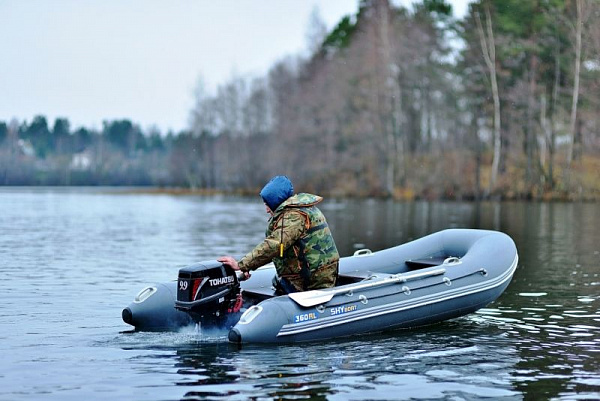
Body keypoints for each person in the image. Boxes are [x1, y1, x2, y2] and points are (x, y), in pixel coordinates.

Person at [219, 175, 339, 294]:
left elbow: (274, 245)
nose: (266, 210)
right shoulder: (302, 209)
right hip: (318, 272)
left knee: (279, 284)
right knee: (278, 282)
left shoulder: (294, 216)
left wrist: (241, 265)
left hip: (315, 279)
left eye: (267, 204)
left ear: (276, 201)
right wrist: (248, 267)